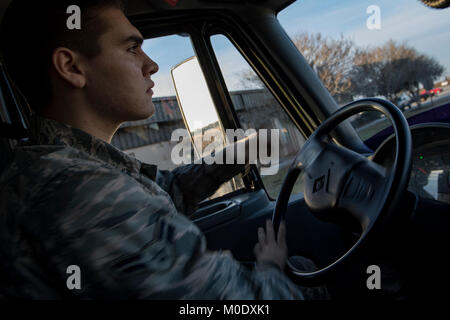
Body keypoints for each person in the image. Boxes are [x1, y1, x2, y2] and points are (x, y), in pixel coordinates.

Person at [0, 0, 305, 299]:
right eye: (132, 48)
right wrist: (271, 270)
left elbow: (166, 192)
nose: (152, 65)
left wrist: (241, 153)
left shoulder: (65, 166)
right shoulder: (76, 189)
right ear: (71, 66)